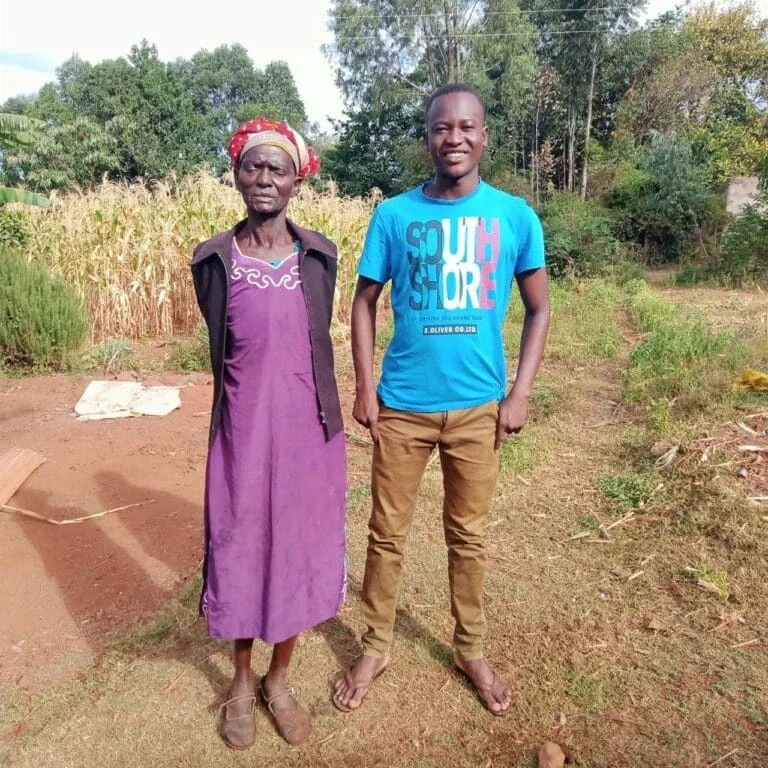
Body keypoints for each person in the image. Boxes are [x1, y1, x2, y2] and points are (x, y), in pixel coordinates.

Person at [333, 84, 550, 716]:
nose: (452, 138)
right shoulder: (395, 216)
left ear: (484, 136)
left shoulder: (513, 217)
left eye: (465, 127)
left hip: (479, 407)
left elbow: (539, 309)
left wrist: (520, 393)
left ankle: (470, 647)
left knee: (468, 536)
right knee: (386, 533)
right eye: (439, 128)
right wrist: (364, 385)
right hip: (402, 405)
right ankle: (375, 645)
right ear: (427, 138)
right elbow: (364, 304)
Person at [191, 117, 346, 748]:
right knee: (240, 548)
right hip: (242, 435)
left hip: (310, 435)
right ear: (236, 173)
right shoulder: (213, 261)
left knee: (296, 552)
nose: (263, 178)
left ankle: (279, 681)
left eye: (276, 168)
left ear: (296, 180)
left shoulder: (320, 257)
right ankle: (240, 681)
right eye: (253, 166)